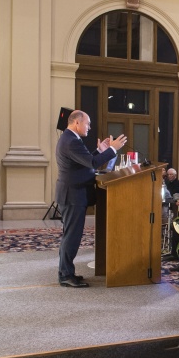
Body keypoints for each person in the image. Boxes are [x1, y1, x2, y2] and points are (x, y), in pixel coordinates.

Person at [55, 110, 126, 287]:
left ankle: (66, 272)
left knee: (70, 235)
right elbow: (93, 164)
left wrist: (99, 150)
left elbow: (85, 161)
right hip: (72, 195)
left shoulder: (70, 139)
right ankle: (65, 275)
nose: (89, 127)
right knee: (71, 236)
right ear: (77, 123)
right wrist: (112, 149)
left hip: (73, 193)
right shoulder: (71, 141)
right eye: (87, 123)